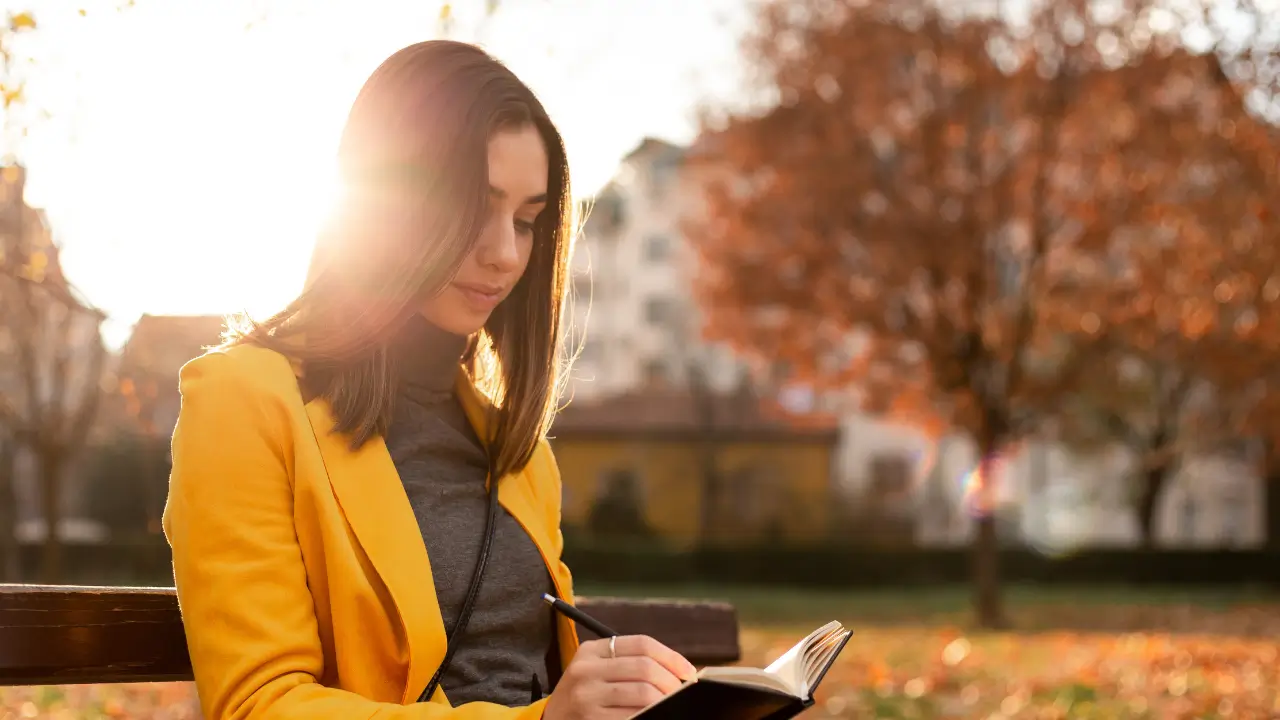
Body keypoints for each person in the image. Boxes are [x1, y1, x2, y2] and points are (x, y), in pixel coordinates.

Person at [162, 40, 696, 720]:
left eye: (527, 221)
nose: (505, 254)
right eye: (476, 205)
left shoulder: (518, 451)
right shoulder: (243, 401)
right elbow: (259, 704)